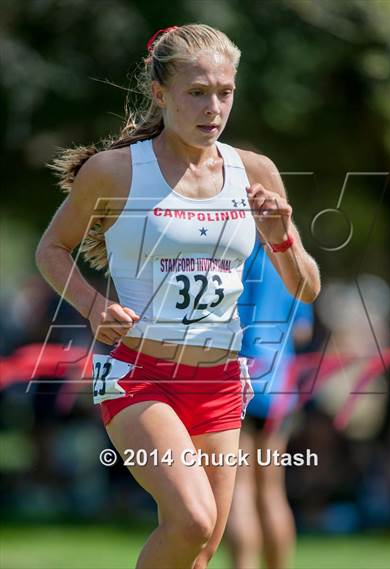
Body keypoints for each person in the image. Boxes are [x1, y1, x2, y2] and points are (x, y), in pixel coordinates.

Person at [35, 23, 320, 569]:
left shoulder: (254, 172)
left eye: (225, 92)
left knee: (202, 549)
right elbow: (52, 248)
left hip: (218, 379)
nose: (213, 107)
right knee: (193, 519)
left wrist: (281, 235)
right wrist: (94, 308)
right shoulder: (115, 172)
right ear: (160, 93)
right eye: (197, 92)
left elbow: (306, 286)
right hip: (139, 372)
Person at [226, 234, 314, 569]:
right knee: (273, 492)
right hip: (280, 385)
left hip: (238, 380)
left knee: (240, 490)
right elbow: (303, 330)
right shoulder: (290, 257)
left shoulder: (233, 250)